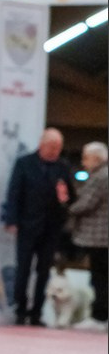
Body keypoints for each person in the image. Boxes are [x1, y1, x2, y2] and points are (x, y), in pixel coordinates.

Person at [4, 127, 76, 326]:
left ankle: (37, 312)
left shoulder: (63, 167)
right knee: (23, 269)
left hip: (52, 228)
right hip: (27, 225)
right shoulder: (24, 163)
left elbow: (71, 196)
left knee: (44, 272)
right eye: (51, 147)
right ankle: (20, 309)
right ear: (42, 144)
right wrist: (12, 220)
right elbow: (14, 193)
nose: (54, 151)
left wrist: (65, 201)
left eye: (58, 148)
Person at [68, 142, 108, 332]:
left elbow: (86, 204)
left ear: (96, 158)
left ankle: (99, 317)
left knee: (99, 278)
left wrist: (65, 208)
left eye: (86, 157)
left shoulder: (101, 176)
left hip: (100, 238)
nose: (83, 163)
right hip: (102, 238)